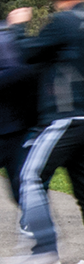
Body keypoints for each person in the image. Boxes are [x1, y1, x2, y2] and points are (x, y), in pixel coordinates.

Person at [0, 0, 84, 264]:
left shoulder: (63, 21)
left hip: (66, 116)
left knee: (28, 177)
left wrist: (17, 28)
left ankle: (44, 249)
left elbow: (26, 54)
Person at [0, 19, 37, 211]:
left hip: (14, 127)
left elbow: (21, 72)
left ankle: (36, 225)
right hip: (15, 126)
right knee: (20, 186)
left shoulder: (6, 37)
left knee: (20, 187)